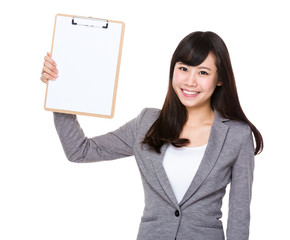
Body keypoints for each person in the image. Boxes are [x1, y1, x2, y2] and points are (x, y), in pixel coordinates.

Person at [41, 31, 263, 240]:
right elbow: (79, 151)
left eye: (203, 72)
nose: (190, 81)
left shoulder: (236, 134)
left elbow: (239, 214)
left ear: (220, 79)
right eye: (183, 68)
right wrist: (60, 90)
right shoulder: (148, 123)